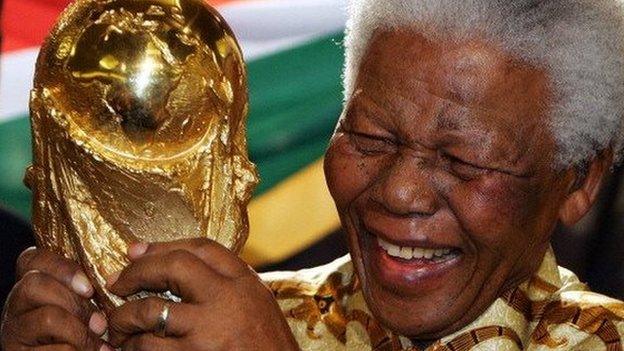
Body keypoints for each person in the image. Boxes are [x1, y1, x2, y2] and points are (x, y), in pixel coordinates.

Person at [3, 0, 624, 350]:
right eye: (371, 137)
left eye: (463, 161)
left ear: (579, 182)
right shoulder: (228, 322)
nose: (399, 191)